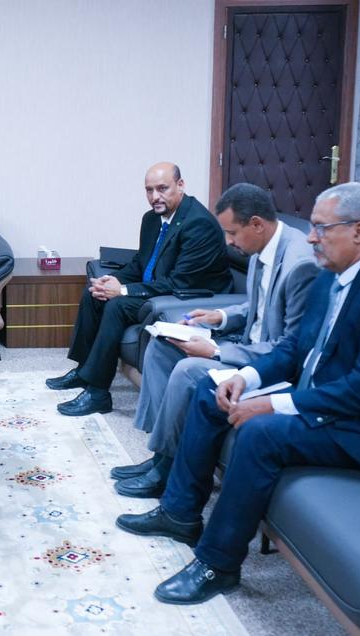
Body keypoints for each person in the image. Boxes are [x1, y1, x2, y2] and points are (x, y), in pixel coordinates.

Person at [116, 182, 360, 605]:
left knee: (261, 433)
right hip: (328, 401)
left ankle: (218, 563)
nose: (311, 238)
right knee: (210, 390)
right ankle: (180, 513)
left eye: (321, 228)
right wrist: (247, 378)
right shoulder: (333, 276)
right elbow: (294, 347)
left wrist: (273, 404)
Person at [111, 183, 318, 498]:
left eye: (232, 233)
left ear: (256, 225)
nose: (229, 242)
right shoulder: (264, 246)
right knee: (161, 346)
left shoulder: (300, 265)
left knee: (188, 370)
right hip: (246, 342)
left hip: (267, 364)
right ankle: (161, 456)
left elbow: (290, 347)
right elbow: (258, 305)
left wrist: (217, 350)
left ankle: (166, 470)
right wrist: (218, 316)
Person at [47, 162, 232, 415]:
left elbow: (179, 282)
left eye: (162, 188)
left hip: (184, 297)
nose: (155, 197)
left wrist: (123, 291)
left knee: (117, 305)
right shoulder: (152, 219)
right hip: (159, 287)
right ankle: (83, 371)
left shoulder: (199, 224)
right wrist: (109, 280)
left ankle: (98, 394)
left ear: (180, 185)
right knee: (94, 294)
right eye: (149, 190)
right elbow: (140, 263)